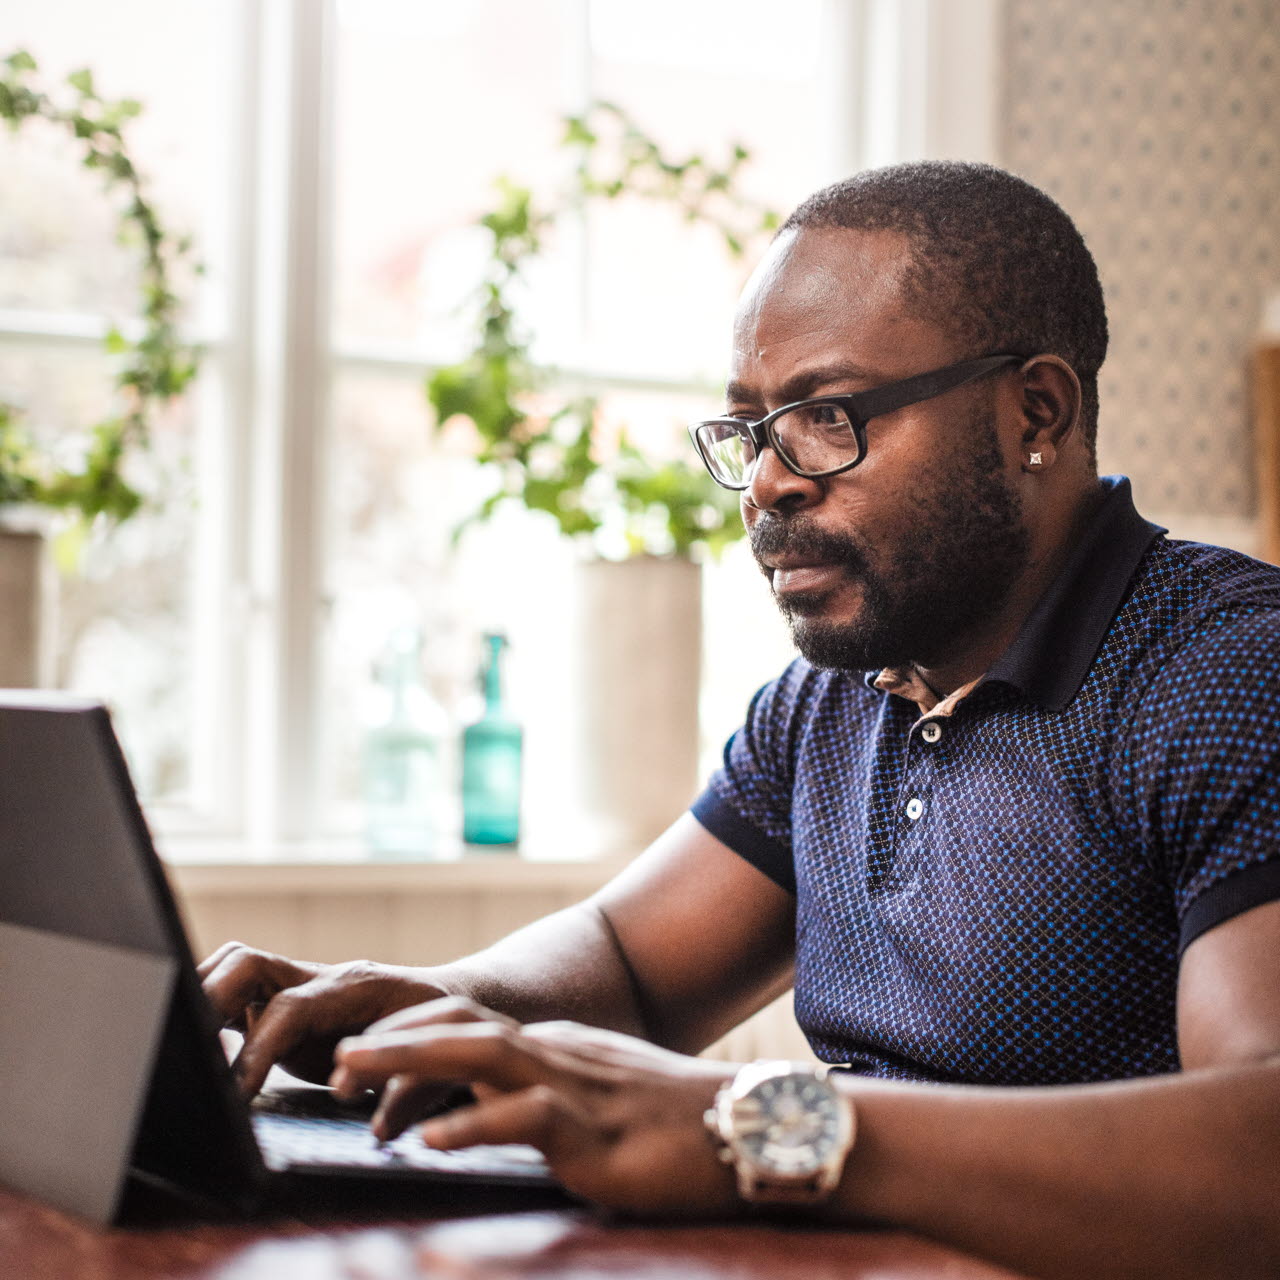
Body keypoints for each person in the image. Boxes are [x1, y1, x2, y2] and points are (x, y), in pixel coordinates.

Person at [200, 162, 1280, 1279]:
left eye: (824, 416)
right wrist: (432, 1008)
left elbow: (1260, 1157)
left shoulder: (1228, 675)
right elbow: (628, 960)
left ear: (1033, 412)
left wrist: (753, 1124)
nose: (766, 481)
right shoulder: (828, 698)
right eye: (751, 428)